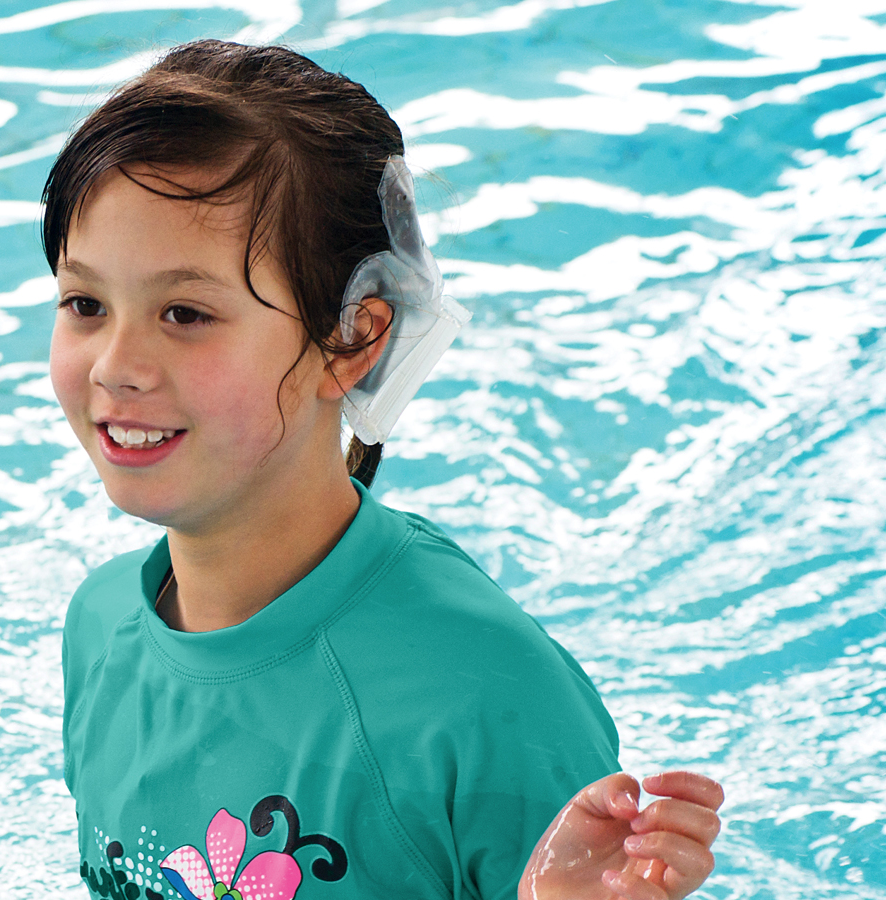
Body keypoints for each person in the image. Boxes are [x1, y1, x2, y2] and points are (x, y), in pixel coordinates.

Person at [43, 40, 723, 900]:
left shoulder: (480, 697)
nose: (115, 365)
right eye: (85, 304)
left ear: (354, 339)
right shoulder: (102, 629)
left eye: (185, 312)